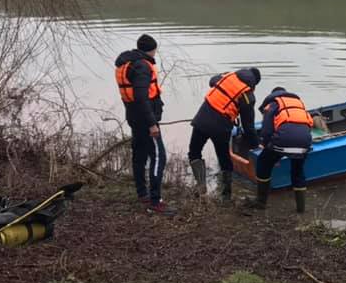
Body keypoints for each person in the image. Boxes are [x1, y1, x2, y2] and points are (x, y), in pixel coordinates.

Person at [115, 34, 170, 213]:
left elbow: (133, 97)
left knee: (139, 154)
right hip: (145, 119)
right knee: (158, 157)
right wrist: (152, 123)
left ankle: (142, 193)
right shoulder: (142, 66)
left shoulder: (127, 62)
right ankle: (155, 201)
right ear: (152, 50)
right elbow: (141, 97)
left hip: (133, 116)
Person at [188, 68, 261, 199]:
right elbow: (248, 127)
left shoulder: (228, 76)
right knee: (224, 159)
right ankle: (226, 195)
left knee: (194, 151)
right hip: (221, 127)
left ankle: (201, 187)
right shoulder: (247, 95)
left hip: (203, 117)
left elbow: (212, 80)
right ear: (254, 84)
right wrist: (256, 145)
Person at [244, 87, 313, 213]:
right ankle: (301, 209)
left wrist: (266, 146)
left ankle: (261, 202)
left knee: (263, 163)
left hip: (282, 141)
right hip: (305, 143)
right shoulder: (299, 105)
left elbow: (267, 131)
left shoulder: (273, 104)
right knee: (298, 171)